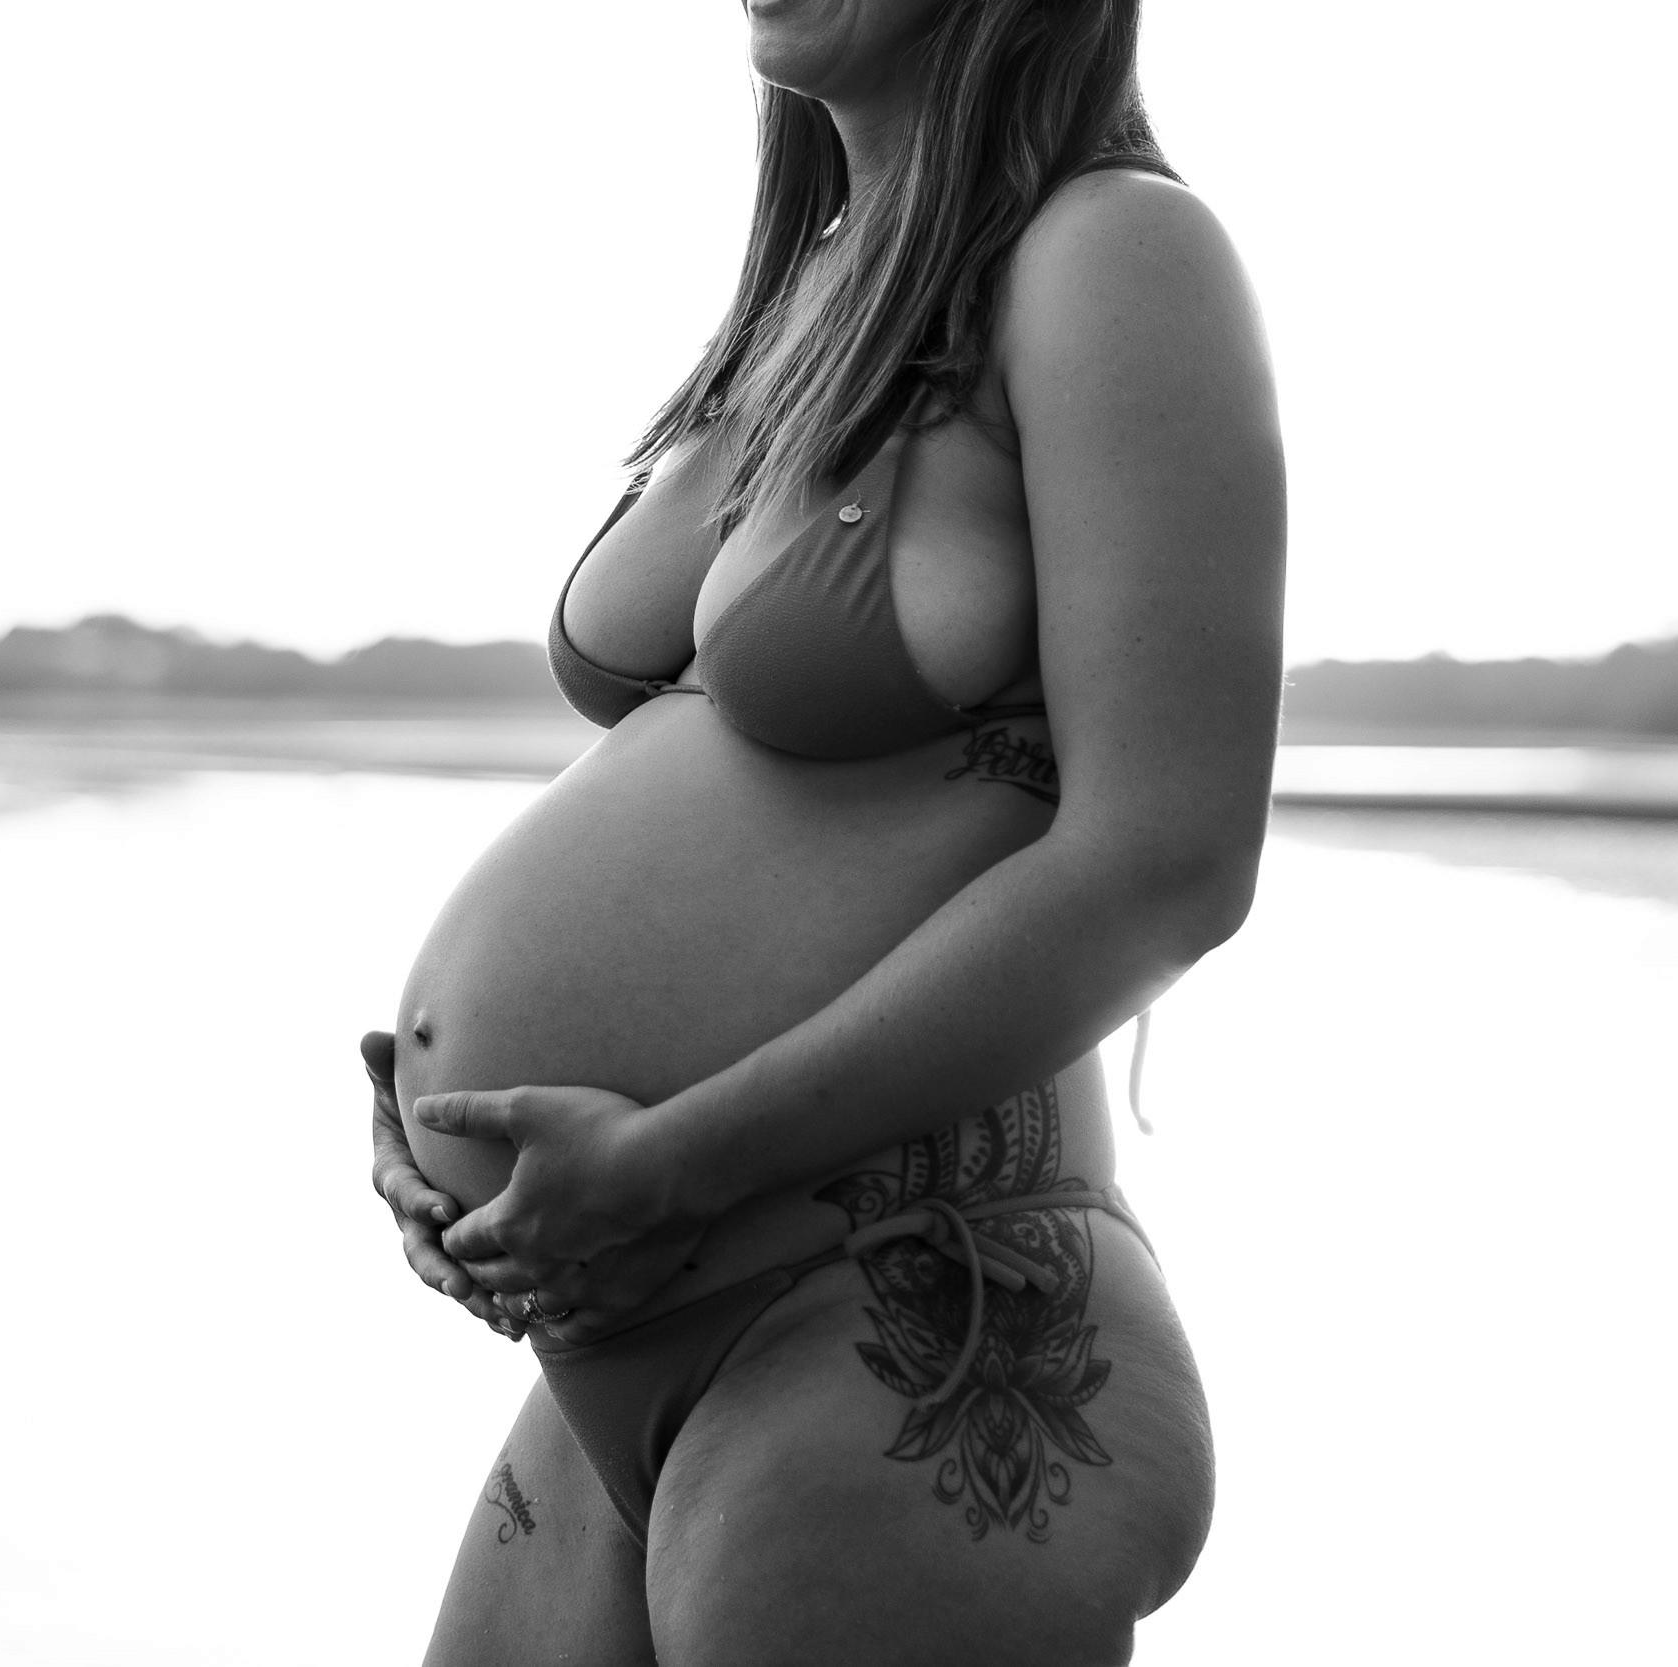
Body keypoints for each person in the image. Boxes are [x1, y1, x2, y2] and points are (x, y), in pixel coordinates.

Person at [364, 1, 1284, 1660]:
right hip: (626, 1339)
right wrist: (435, 1132)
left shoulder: (1112, 253)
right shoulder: (814, 300)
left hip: (909, 1314)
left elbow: (1169, 863)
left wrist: (672, 1159)